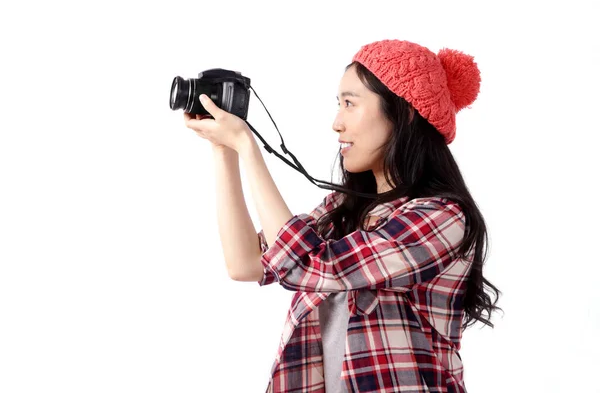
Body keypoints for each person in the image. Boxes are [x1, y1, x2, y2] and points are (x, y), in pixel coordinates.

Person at [184, 39, 502, 393]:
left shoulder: (441, 217)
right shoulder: (341, 208)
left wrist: (249, 148)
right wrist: (223, 150)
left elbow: (311, 263)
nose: (337, 123)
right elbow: (246, 263)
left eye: (350, 104)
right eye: (338, 104)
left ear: (405, 111)